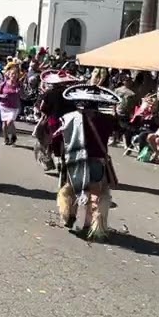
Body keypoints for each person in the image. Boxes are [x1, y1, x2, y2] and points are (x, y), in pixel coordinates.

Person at [53, 84, 120, 240]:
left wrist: (58, 153)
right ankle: (90, 227)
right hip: (97, 161)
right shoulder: (107, 119)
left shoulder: (69, 118)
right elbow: (117, 131)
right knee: (96, 195)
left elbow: (56, 138)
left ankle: (69, 214)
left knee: (70, 189)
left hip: (75, 160)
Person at [0, 64, 23, 145]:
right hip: (3, 105)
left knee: (9, 122)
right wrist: (2, 95)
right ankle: (6, 139)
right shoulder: (4, 83)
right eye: (12, 74)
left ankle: (13, 135)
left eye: (16, 74)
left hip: (14, 107)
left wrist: (20, 92)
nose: (14, 75)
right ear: (9, 74)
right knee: (4, 125)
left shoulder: (19, 84)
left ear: (18, 75)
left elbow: (23, 95)